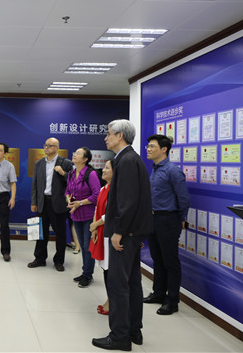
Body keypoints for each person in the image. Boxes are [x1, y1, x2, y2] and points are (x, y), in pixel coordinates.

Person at [92, 119, 153, 351]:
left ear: (120, 136)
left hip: (125, 233)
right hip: (133, 231)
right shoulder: (131, 158)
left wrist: (119, 231)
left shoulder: (126, 161)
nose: (105, 138)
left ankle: (119, 336)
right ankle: (134, 329)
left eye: (109, 134)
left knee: (118, 284)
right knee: (132, 281)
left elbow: (127, 202)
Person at [144, 134, 190, 315]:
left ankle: (172, 301)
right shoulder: (155, 170)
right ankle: (158, 293)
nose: (148, 149)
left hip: (168, 220)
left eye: (152, 146)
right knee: (157, 259)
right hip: (153, 218)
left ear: (164, 149)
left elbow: (183, 198)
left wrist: (180, 219)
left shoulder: (173, 171)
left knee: (170, 261)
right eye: (148, 146)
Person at [27, 138, 73, 272]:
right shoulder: (39, 163)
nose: (46, 148)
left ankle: (59, 261)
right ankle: (39, 258)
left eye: (50, 145)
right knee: (40, 233)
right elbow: (35, 184)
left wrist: (62, 173)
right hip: (42, 202)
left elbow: (72, 182)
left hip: (58, 203)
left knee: (60, 234)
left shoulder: (65, 163)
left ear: (57, 147)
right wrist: (34, 202)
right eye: (45, 145)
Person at [66, 147, 101, 287]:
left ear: (85, 159)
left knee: (87, 246)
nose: (74, 155)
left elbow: (97, 195)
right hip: (76, 215)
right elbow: (67, 191)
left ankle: (88, 275)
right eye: (74, 152)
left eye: (78, 153)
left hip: (89, 216)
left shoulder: (91, 174)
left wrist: (80, 203)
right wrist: (69, 200)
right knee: (82, 245)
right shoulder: (71, 173)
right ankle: (85, 272)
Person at [89, 159, 114, 316]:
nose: (103, 170)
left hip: (108, 232)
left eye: (107, 168)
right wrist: (94, 228)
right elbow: (97, 208)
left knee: (110, 270)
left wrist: (96, 224)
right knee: (105, 269)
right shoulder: (104, 188)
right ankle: (109, 299)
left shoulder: (115, 190)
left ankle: (112, 302)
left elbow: (110, 213)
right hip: (100, 231)